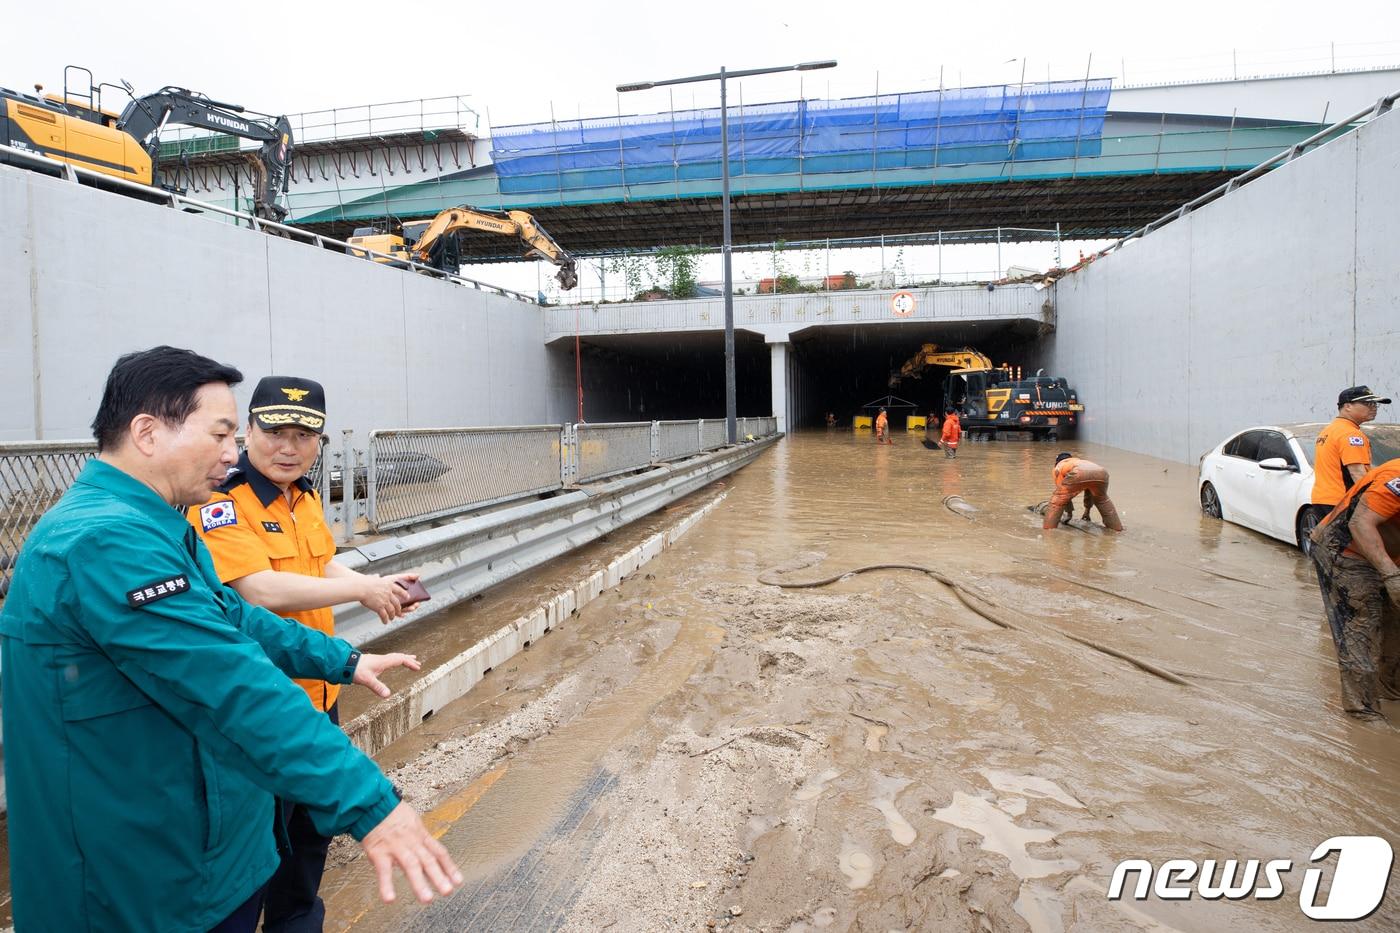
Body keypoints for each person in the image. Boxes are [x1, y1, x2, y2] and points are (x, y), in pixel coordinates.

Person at [0, 347, 461, 932]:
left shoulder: (154, 523)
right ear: (147, 433)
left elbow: (237, 621)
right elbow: (231, 683)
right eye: (221, 434)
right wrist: (371, 806)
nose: (230, 452)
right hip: (142, 888)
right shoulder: (107, 544)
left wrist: (341, 659)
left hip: (200, 855)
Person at [191, 375, 422, 933]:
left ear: (320, 441)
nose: (289, 447)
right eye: (275, 432)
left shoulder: (305, 496)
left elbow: (317, 565)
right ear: (248, 430)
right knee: (259, 854)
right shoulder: (222, 501)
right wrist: (361, 592)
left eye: (304, 435)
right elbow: (257, 590)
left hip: (319, 695)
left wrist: (378, 581)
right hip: (264, 706)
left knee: (307, 842)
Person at [1309, 457, 1400, 720]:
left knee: (1395, 624)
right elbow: (1360, 523)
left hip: (1389, 554)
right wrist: (1391, 576)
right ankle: (1363, 712)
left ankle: (1391, 691)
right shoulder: (1395, 477)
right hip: (1345, 552)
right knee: (1362, 624)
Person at [1309, 386, 1391, 528]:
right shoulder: (1350, 434)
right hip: (1343, 501)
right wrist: (1374, 503)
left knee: (1334, 546)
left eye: (1375, 404)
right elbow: (1357, 473)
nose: (1374, 408)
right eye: (1367, 404)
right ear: (1347, 406)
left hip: (1324, 499)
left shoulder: (1329, 430)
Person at [1043, 452, 1123, 531]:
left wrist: (1069, 514)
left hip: (1079, 472)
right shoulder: (1079, 461)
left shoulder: (1058, 467)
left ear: (1057, 462)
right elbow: (1089, 491)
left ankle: (1048, 531)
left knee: (1057, 501)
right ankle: (1116, 529)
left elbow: (1063, 496)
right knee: (1102, 501)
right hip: (1102, 472)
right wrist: (1087, 511)